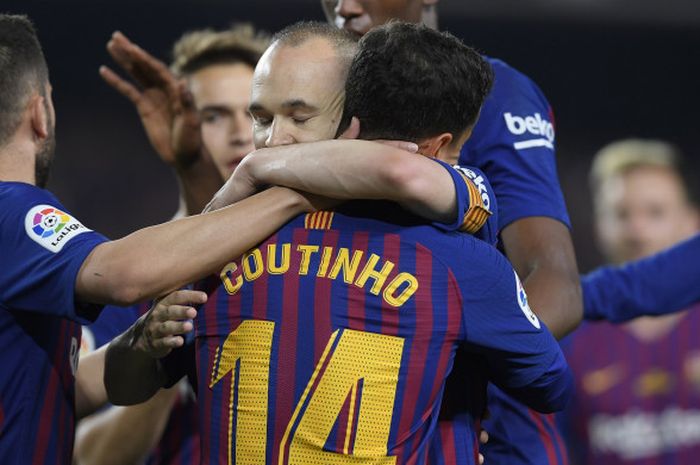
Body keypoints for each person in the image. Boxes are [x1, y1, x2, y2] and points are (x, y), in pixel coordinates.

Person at [105, 21, 572, 465]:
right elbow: (550, 384)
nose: (273, 140)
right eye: (261, 117)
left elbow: (122, 382)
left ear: (354, 121)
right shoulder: (456, 255)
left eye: (299, 116)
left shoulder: (217, 250)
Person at [0, 14, 333, 464]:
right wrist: (295, 193)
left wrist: (142, 345)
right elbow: (123, 274)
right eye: (216, 115)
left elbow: (63, 387)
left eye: (294, 114)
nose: (248, 134)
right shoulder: (17, 213)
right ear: (42, 113)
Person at [74, 24, 270, 465]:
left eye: (255, 114)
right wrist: (162, 364)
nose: (241, 133)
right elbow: (88, 457)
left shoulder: (305, 260)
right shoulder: (126, 286)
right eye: (214, 116)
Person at [560, 139, 700, 465]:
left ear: (693, 221)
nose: (637, 230)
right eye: (621, 214)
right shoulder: (567, 337)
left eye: (655, 212)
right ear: (599, 226)